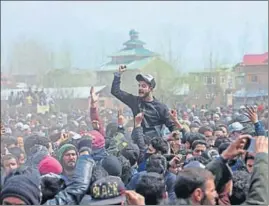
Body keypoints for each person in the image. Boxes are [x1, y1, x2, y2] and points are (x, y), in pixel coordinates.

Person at [111, 65, 176, 138]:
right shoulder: (135, 101)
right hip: (137, 143)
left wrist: (167, 138)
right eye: (139, 85)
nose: (140, 88)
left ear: (150, 88)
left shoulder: (161, 107)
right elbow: (115, 91)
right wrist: (118, 74)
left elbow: (172, 128)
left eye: (143, 86)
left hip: (153, 146)